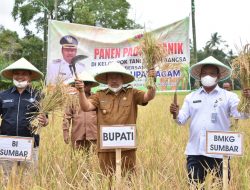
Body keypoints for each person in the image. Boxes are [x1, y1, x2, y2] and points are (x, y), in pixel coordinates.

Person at [169, 56, 250, 186]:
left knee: (221, 186)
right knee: (194, 186)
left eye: (212, 73)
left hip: (219, 152)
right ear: (200, 76)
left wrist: (247, 101)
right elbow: (181, 120)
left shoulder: (229, 96)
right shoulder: (191, 97)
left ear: (218, 76)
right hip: (195, 151)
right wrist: (175, 113)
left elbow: (242, 114)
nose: (208, 76)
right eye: (205, 73)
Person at [74, 61, 156, 176]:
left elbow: (149, 96)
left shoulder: (132, 93)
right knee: (107, 180)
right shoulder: (99, 95)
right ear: (106, 79)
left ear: (122, 78)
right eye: (110, 76)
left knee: (129, 178)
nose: (114, 79)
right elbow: (86, 107)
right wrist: (81, 91)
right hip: (105, 148)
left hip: (127, 147)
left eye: (117, 76)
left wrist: (152, 81)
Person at [0, 58, 48, 176]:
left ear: (30, 77)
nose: (20, 77)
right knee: (8, 179)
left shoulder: (38, 95)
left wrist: (44, 121)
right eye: (17, 73)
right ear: (12, 75)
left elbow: (45, 120)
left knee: (28, 180)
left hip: (30, 144)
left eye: (24, 74)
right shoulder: (3, 95)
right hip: (7, 144)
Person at [62, 71, 99, 151]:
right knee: (78, 159)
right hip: (77, 135)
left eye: (87, 83)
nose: (84, 85)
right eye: (82, 83)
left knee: (94, 159)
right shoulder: (72, 99)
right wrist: (65, 132)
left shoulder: (96, 98)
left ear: (91, 84)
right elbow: (66, 117)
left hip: (94, 135)